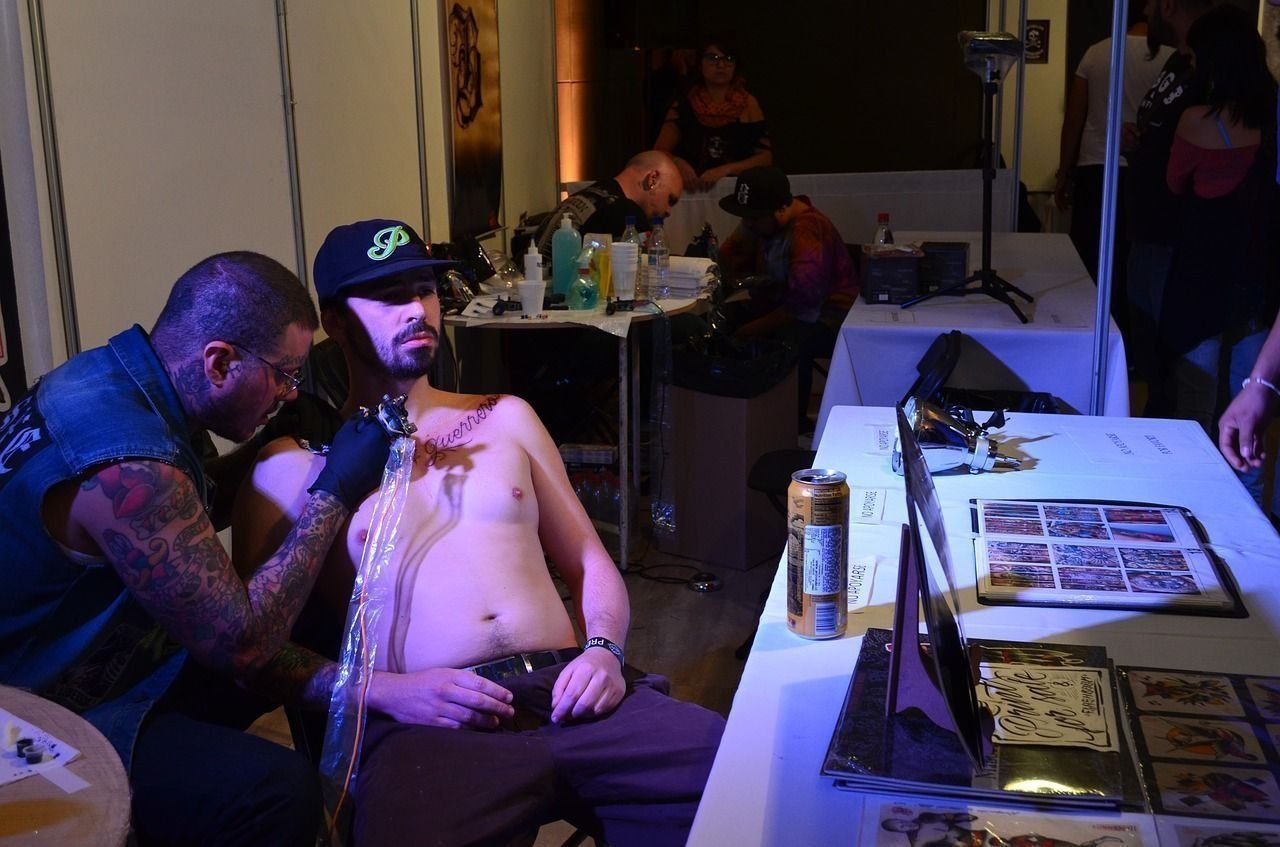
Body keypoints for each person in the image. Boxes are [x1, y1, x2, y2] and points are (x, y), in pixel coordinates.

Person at [234, 218, 726, 847]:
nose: (417, 310)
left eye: (425, 290)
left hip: (568, 688)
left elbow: (588, 559)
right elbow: (251, 652)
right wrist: (387, 693)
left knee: (745, 782)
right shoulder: (295, 469)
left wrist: (605, 650)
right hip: (429, 722)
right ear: (335, 321)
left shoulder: (505, 418)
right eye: (388, 297)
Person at [0, 252, 393, 846]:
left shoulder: (108, 377)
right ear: (220, 362)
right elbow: (245, 646)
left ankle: (351, 803)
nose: (290, 394)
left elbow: (174, 514)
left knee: (311, 617)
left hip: (96, 661)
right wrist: (335, 489)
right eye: (285, 375)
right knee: (276, 792)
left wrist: (263, 453)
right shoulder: (130, 459)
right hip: (35, 718)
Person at [1163, 5, 1278, 511]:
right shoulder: (1273, 124)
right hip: (1257, 280)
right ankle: (1248, 523)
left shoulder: (1195, 122)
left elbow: (1174, 182)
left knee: (1196, 409)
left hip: (1200, 281)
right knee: (1249, 421)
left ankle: (1190, 518)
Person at [1054, 0, 1171, 334]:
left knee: (1091, 257)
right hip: (1144, 171)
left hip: (1096, 163)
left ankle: (1088, 330)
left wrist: (1063, 173)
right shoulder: (1169, 59)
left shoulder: (1096, 53)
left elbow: (1074, 118)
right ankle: (1129, 337)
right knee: (1132, 260)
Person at [1123, 0, 1215, 414]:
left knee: (1177, 354)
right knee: (1148, 345)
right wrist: (1138, 140)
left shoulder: (1205, 65)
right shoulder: (1176, 61)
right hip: (1148, 223)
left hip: (1175, 230)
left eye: (1151, 3)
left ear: (1170, 5)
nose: (1145, 10)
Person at [714, 166, 857, 428]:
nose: (748, 223)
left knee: (788, 341)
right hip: (780, 306)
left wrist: (750, 329)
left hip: (827, 318)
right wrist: (743, 236)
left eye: (754, 217)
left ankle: (791, 424)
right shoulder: (764, 224)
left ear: (780, 209)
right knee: (719, 320)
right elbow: (728, 258)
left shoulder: (808, 231)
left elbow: (802, 306)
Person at [655, 39, 772, 192]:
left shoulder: (748, 103)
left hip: (737, 191)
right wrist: (677, 162)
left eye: (728, 59)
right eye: (713, 58)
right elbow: (659, 151)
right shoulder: (684, 102)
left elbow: (765, 158)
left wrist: (726, 170)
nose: (721, 65)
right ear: (700, 63)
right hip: (691, 191)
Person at [532, 149, 684, 256]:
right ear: (652, 179)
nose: (669, 211)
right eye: (670, 200)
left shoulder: (585, 195)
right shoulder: (628, 214)